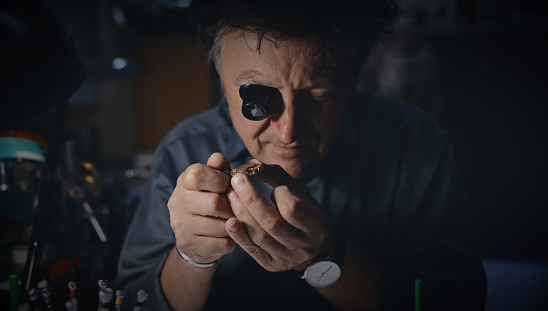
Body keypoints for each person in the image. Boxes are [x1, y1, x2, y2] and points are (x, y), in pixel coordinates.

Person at [116, 0, 486, 310]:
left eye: (319, 95)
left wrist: (326, 257)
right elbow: (133, 301)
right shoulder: (182, 151)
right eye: (258, 96)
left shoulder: (416, 146)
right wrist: (192, 258)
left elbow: (453, 300)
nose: (288, 131)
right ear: (219, 73)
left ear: (357, 75)